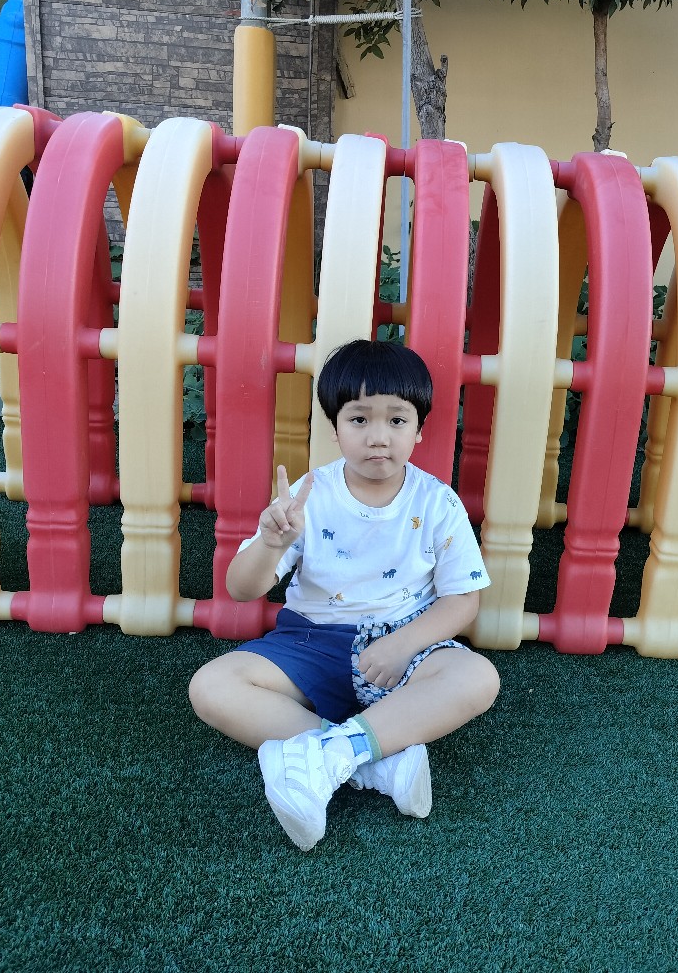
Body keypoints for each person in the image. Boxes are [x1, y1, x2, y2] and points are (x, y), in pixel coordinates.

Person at [189, 339, 500, 850]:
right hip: (309, 643)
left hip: (403, 648)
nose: (378, 437)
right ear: (334, 429)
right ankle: (371, 760)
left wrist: (403, 645)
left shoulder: (437, 502)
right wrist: (270, 543)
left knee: (478, 677)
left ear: (419, 429)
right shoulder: (309, 496)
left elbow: (463, 600)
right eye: (359, 419)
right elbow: (241, 589)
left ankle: (329, 754)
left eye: (396, 420)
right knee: (211, 685)